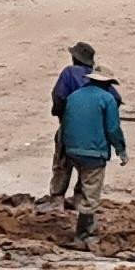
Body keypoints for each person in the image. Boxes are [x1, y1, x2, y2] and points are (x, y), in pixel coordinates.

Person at [55, 59, 128, 248]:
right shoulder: (107, 99)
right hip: (94, 154)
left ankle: (72, 210)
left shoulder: (74, 96)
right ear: (106, 83)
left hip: (71, 150)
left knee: (83, 180)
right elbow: (112, 129)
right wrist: (121, 150)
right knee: (91, 193)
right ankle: (84, 234)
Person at [45, 44, 103, 203]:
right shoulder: (99, 77)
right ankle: (80, 198)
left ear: (75, 58)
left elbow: (59, 96)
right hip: (94, 131)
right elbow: (115, 99)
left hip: (70, 126)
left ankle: (57, 197)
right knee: (88, 167)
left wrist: (60, 113)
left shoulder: (69, 73)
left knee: (62, 161)